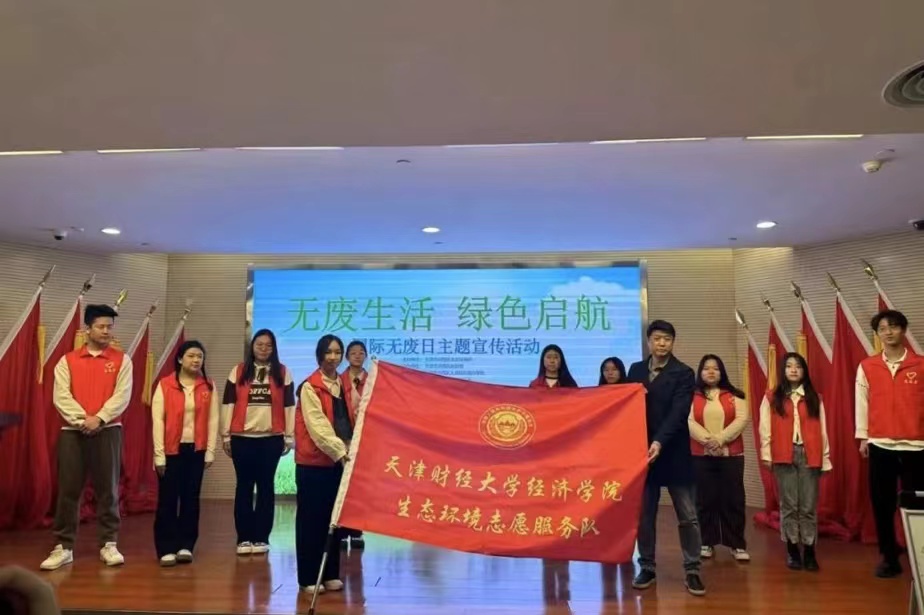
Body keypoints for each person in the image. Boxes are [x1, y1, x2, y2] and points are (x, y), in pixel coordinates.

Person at [41, 304, 133, 571]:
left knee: (108, 490)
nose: (106, 331)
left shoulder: (122, 360)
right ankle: (63, 547)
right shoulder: (67, 361)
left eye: (109, 327)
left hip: (108, 430)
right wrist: (83, 420)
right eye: (101, 326)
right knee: (68, 491)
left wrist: (100, 419)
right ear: (88, 329)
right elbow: (61, 396)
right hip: (73, 432)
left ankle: (109, 543)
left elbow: (122, 396)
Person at [627, 320, 704, 596]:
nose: (662, 343)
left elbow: (679, 412)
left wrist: (659, 441)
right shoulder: (635, 370)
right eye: (657, 338)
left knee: (688, 515)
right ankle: (647, 566)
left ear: (673, 342)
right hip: (642, 455)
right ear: (649, 341)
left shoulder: (683, 372)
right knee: (645, 515)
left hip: (673, 452)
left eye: (667, 339)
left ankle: (693, 569)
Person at [857, 309, 924, 578]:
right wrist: (864, 437)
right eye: (883, 328)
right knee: (882, 504)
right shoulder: (867, 366)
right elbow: (862, 404)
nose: (888, 332)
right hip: (880, 444)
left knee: (917, 504)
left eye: (894, 327)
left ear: (903, 330)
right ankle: (889, 557)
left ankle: (921, 557)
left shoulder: (921, 365)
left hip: (916, 446)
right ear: (878, 334)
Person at [220, 329, 296, 555]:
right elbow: (228, 404)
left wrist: (289, 436)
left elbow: (289, 406)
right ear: (252, 346)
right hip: (242, 439)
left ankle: (261, 537)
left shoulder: (283, 372)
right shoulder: (238, 371)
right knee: (244, 487)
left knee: (265, 487)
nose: (263, 349)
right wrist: (225, 435)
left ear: (274, 349)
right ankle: (244, 537)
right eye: (259, 344)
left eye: (268, 345)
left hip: (271, 439)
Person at [759, 352, 831, 572]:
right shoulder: (772, 397)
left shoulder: (814, 398)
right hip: (784, 454)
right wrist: (767, 453)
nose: (793, 370)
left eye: (798, 366)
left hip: (810, 454)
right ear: (783, 370)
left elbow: (823, 430)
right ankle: (792, 550)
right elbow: (765, 428)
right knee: (789, 505)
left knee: (808, 506)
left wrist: (825, 457)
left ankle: (809, 550)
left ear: (804, 371)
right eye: (789, 366)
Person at [295, 334, 355, 595]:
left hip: (339, 463)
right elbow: (318, 427)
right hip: (314, 463)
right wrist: (340, 452)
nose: (333, 357)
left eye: (337, 352)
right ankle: (309, 577)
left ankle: (330, 573)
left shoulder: (343, 384)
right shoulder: (310, 387)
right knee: (311, 521)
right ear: (319, 355)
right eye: (328, 352)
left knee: (334, 521)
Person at [151, 340, 219, 566]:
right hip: (171, 450)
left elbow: (213, 419)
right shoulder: (165, 385)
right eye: (191, 356)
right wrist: (159, 454)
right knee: (168, 499)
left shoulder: (208, 386)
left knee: (191, 499)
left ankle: (186, 545)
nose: (196, 360)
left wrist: (210, 450)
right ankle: (166, 547)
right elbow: (158, 421)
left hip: (196, 450)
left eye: (199, 356)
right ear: (180, 359)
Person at [688, 354, 750, 561]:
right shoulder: (691, 396)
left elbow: (741, 419)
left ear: (722, 372)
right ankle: (707, 542)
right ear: (700, 372)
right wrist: (708, 442)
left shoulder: (735, 395)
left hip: (731, 455)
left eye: (715, 368)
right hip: (700, 456)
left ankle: (737, 544)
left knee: (733, 500)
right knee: (705, 500)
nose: (711, 372)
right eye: (706, 368)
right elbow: (688, 421)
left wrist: (720, 440)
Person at [339, 340, 368, 550]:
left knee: (359, 486)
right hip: (343, 439)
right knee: (340, 485)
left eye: (361, 352)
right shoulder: (338, 380)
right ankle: (341, 531)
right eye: (353, 353)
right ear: (347, 357)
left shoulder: (373, 380)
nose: (357, 356)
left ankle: (357, 531)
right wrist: (344, 437)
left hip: (365, 439)